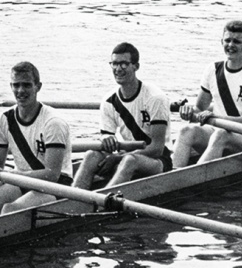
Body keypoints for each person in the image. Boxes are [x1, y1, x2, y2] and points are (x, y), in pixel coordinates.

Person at [0, 61, 74, 221]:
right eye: (16, 85)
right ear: (11, 86)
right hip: (21, 180)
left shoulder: (53, 123)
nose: (21, 91)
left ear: (38, 86)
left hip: (56, 186)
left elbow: (51, 175)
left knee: (11, 210)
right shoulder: (2, 120)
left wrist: (14, 174)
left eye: (27, 85)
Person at [72, 42, 171, 192]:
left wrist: (117, 158)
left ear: (136, 66)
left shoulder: (155, 97)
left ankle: (101, 204)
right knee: (91, 155)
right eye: (114, 64)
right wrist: (106, 140)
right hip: (128, 155)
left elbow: (156, 148)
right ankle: (75, 198)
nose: (118, 69)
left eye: (124, 64)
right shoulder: (108, 101)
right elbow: (107, 140)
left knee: (129, 160)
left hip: (158, 160)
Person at [173, 20, 242, 167]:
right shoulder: (212, 70)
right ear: (221, 42)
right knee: (186, 130)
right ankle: (172, 176)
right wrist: (187, 111)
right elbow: (200, 109)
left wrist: (218, 118)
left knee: (220, 135)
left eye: (237, 41)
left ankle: (194, 178)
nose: (231, 45)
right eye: (227, 40)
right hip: (218, 130)